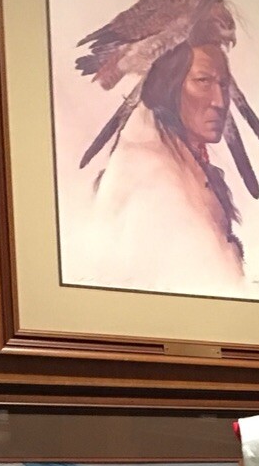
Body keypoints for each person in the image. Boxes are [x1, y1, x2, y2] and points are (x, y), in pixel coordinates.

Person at [85, 31, 247, 299]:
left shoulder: (186, 165)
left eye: (223, 85)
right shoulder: (153, 182)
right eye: (203, 81)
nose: (219, 102)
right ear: (167, 88)